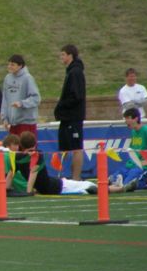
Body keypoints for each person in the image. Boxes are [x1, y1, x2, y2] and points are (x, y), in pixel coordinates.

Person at [8, 132, 98, 196]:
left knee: (90, 187)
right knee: (86, 186)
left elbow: (31, 172)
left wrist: (28, 191)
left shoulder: (35, 155)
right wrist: (6, 189)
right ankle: (108, 186)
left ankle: (110, 186)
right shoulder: (22, 157)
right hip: (54, 186)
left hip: (58, 186)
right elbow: (14, 172)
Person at [107, 108, 147, 192]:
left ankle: (116, 189)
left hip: (141, 167)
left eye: (128, 118)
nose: (126, 121)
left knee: (128, 183)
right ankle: (115, 186)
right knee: (111, 179)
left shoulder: (146, 130)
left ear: (136, 118)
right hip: (130, 165)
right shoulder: (133, 132)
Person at [54, 44, 87, 181]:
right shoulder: (71, 72)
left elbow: (76, 96)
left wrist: (62, 104)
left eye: (63, 54)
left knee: (76, 147)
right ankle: (67, 175)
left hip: (73, 117)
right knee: (67, 147)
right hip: (68, 117)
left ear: (70, 55)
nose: (61, 57)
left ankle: (76, 178)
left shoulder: (75, 72)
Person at [2, 54, 40, 137]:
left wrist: (22, 103)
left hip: (26, 123)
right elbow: (5, 99)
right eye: (9, 64)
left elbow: (36, 98)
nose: (9, 66)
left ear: (20, 66)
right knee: (14, 149)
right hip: (13, 124)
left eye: (12, 64)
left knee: (27, 149)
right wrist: (5, 118)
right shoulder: (7, 78)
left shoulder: (28, 78)